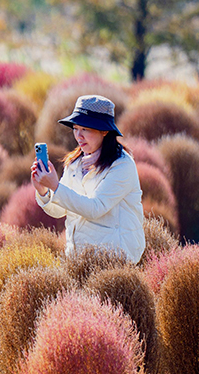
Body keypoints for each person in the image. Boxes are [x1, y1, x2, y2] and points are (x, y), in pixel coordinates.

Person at [31, 94, 146, 263]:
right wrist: (43, 191)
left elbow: (95, 208)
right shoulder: (75, 162)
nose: (79, 136)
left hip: (114, 261)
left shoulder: (122, 165)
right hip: (79, 261)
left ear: (105, 131)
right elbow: (59, 210)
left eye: (86, 129)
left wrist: (55, 186)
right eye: (76, 128)